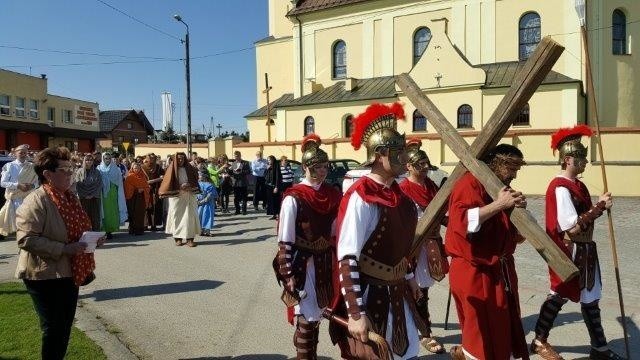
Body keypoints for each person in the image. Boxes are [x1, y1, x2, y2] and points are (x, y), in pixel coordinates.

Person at [329, 103, 428, 360]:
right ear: (380, 154)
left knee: (408, 352)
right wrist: (355, 313)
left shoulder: (402, 197)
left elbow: (399, 247)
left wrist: (409, 278)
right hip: (371, 294)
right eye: (399, 153)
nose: (406, 159)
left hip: (399, 292)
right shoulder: (362, 196)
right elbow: (347, 258)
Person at [531, 125, 624, 360]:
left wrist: (598, 208)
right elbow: (570, 226)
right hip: (568, 250)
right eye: (581, 157)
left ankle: (599, 349)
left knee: (591, 299)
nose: (585, 162)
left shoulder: (579, 185)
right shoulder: (559, 186)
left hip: (586, 248)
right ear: (568, 159)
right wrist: (600, 207)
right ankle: (539, 340)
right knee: (559, 295)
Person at [15, 147, 105, 360]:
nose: (70, 173)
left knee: (64, 327)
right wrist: (64, 249)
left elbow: (75, 229)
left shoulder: (69, 197)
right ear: (47, 174)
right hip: (44, 275)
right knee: (54, 329)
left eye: (71, 168)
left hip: (68, 272)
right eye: (64, 169)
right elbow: (26, 239)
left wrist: (91, 239)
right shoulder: (36, 200)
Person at [446, 144, 528, 360]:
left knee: (502, 332)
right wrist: (500, 204)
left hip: (499, 272)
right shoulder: (469, 183)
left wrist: (519, 216)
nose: (514, 174)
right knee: (480, 335)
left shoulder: (498, 186)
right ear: (498, 162)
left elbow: (505, 229)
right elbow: (463, 220)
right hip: (474, 272)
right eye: (512, 167)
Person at [274, 133, 342, 359]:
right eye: (317, 166)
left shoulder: (332, 194)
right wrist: (288, 274)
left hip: (326, 260)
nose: (322, 170)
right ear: (305, 166)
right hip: (303, 263)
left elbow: (336, 230)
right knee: (306, 315)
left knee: (319, 314)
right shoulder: (294, 197)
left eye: (325, 166)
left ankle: (308, 354)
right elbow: (285, 239)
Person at [398, 138, 447, 354]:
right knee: (414, 289)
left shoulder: (431, 186)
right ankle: (424, 332)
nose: (424, 168)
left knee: (423, 289)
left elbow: (441, 214)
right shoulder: (403, 188)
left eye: (426, 164)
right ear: (408, 166)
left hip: (432, 243)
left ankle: (420, 328)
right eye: (419, 165)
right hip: (413, 246)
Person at [159, 152, 201, 247]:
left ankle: (190, 239)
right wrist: (180, 186)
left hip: (189, 195)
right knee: (176, 217)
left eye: (182, 158)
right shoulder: (171, 170)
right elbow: (168, 183)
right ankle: (178, 238)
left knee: (189, 218)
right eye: (178, 159)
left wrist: (189, 185)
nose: (180, 161)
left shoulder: (190, 168)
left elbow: (195, 180)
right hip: (176, 197)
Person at [0, 144, 39, 236]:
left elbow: (36, 183)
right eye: (21, 152)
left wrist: (31, 186)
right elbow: (3, 183)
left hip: (28, 199)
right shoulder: (9, 166)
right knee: (17, 227)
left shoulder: (32, 166)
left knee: (27, 226)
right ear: (15, 153)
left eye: (25, 153)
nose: (23, 154)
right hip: (14, 200)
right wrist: (17, 185)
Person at [97, 153, 127, 239]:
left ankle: (110, 230)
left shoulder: (116, 169)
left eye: (109, 158)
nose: (107, 160)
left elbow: (119, 182)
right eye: (105, 158)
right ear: (103, 159)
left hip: (113, 193)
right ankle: (104, 230)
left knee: (113, 211)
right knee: (104, 212)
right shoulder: (99, 168)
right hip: (103, 194)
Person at [74, 154, 103, 231]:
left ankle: (96, 236)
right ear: (84, 161)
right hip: (83, 199)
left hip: (94, 198)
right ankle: (84, 235)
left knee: (95, 218)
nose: (89, 162)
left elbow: (99, 185)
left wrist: (92, 195)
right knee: (84, 217)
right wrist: (85, 195)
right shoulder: (79, 172)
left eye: (90, 160)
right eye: (87, 160)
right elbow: (78, 184)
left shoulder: (97, 172)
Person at [124, 162, 150, 236]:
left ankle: (139, 229)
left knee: (140, 214)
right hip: (132, 198)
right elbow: (127, 187)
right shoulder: (129, 177)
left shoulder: (143, 177)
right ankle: (132, 229)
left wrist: (143, 189)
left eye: (138, 168)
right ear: (132, 168)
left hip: (141, 199)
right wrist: (136, 190)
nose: (137, 169)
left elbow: (147, 187)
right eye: (135, 168)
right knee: (132, 214)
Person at [141, 154, 164, 231]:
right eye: (150, 158)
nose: (151, 160)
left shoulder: (158, 167)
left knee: (155, 207)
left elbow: (163, 177)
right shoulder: (142, 167)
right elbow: (140, 178)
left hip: (155, 190)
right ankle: (145, 224)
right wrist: (147, 183)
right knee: (145, 206)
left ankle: (153, 225)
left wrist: (154, 181)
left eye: (153, 158)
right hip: (145, 189)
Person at [197, 170, 218, 236]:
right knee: (199, 216)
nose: (199, 176)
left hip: (208, 204)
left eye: (200, 175)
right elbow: (195, 193)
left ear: (205, 176)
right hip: (199, 204)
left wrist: (202, 201)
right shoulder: (197, 184)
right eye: (199, 175)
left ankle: (207, 231)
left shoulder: (210, 185)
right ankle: (200, 230)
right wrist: (196, 200)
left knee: (207, 216)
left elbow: (210, 195)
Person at [231, 151, 251, 215]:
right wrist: (229, 171)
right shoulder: (233, 163)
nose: (236, 157)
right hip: (236, 182)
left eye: (237, 156)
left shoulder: (245, 162)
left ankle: (244, 210)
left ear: (240, 155)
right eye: (235, 156)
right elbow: (231, 173)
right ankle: (237, 210)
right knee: (236, 197)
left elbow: (248, 171)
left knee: (244, 197)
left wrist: (241, 171)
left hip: (243, 182)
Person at [264, 155, 282, 220]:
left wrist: (276, 187)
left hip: (274, 186)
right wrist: (267, 169)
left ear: (273, 160)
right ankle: (273, 214)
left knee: (276, 201)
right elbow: (264, 175)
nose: (269, 161)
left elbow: (278, 177)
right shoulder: (267, 166)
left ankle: (278, 214)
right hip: (268, 186)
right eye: (268, 160)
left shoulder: (276, 166)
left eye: (270, 160)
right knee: (270, 201)